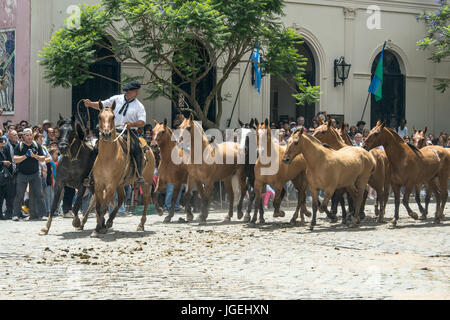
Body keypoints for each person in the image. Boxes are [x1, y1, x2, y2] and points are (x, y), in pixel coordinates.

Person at [84, 81, 146, 184]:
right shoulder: (116, 99)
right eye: (126, 91)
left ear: (136, 92)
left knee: (137, 148)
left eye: (130, 91)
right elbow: (102, 105)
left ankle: (139, 174)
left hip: (129, 131)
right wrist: (90, 104)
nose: (127, 93)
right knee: (96, 148)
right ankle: (90, 174)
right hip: (112, 130)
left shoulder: (139, 106)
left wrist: (132, 124)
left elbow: (142, 122)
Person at [11, 128, 47, 221]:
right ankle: (16, 215)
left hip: (35, 174)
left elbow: (43, 158)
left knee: (39, 195)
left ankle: (42, 214)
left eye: (30, 135)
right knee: (19, 195)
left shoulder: (37, 145)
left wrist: (35, 156)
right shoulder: (19, 146)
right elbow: (15, 159)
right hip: (22, 174)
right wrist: (25, 156)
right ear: (23, 136)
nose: (29, 137)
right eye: (27, 135)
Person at [0, 136, 13, 219]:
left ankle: (7, 214)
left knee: (6, 196)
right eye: (1, 142)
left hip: (4, 177)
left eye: (3, 141)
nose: (3, 143)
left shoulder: (4, 150)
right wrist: (3, 163)